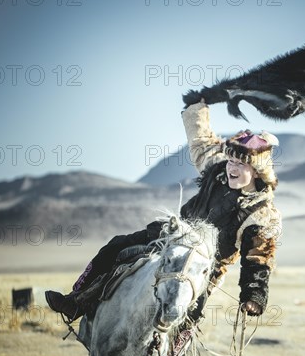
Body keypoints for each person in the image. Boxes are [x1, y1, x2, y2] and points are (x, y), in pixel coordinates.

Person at [45, 100, 282, 323]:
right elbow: (201, 143)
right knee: (115, 247)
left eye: (240, 164)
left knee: (189, 315)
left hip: (203, 264)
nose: (232, 167)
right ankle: (76, 301)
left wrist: (254, 296)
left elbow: (258, 257)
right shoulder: (217, 170)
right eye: (231, 160)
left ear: (257, 171)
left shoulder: (261, 214)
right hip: (171, 236)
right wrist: (197, 107)